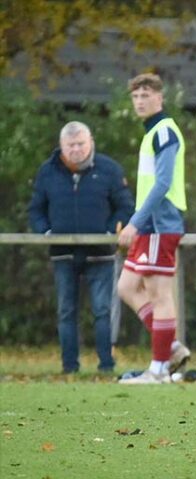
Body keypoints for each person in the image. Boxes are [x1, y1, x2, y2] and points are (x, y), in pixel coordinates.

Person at [28, 121, 134, 374]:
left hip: (101, 254)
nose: (76, 149)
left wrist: (111, 230)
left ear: (91, 143)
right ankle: (69, 368)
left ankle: (106, 366)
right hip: (63, 253)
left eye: (81, 144)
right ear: (62, 146)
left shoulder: (109, 169)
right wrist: (46, 231)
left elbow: (125, 206)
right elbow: (36, 209)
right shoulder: (48, 171)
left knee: (102, 310)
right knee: (66, 311)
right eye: (70, 145)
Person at [118, 73, 192, 384]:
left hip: (159, 224)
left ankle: (159, 368)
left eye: (146, 95)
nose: (140, 101)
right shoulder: (153, 132)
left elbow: (162, 183)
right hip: (151, 225)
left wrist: (135, 221)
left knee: (160, 294)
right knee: (126, 287)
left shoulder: (164, 131)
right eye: (135, 96)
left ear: (160, 98)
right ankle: (171, 345)